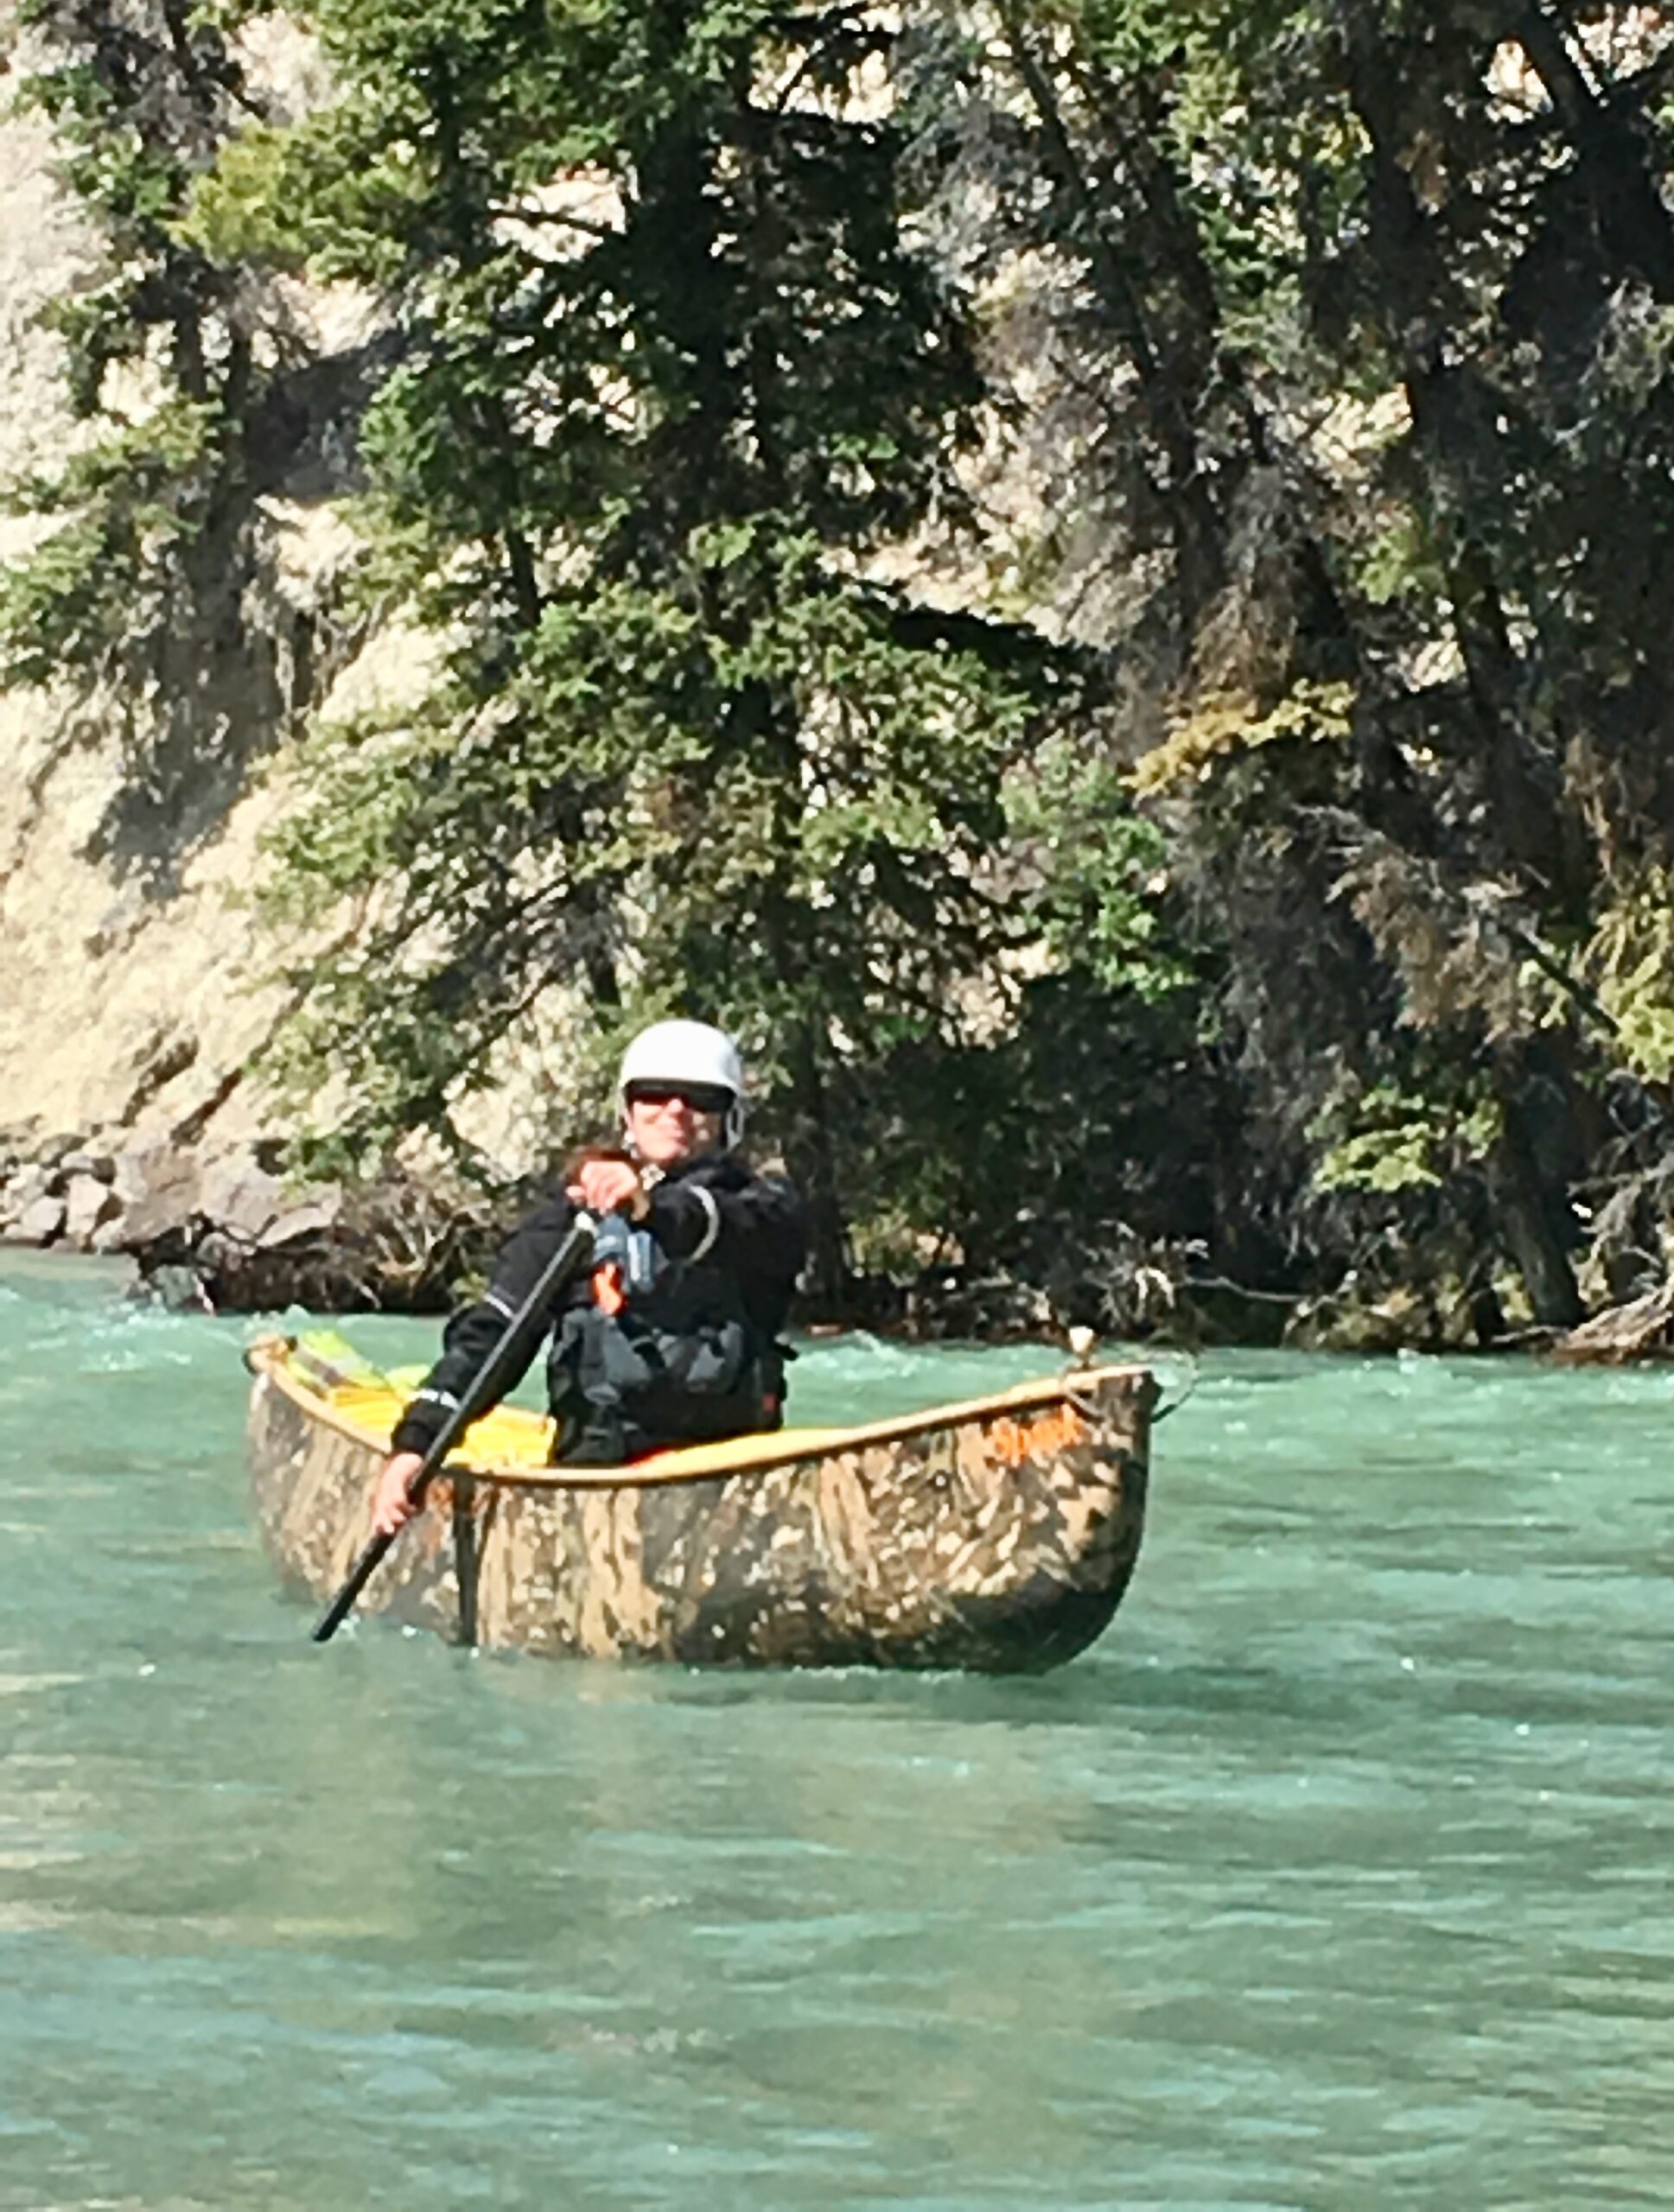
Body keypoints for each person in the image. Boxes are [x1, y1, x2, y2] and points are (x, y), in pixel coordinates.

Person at [370, 1020, 805, 1535]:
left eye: (700, 1099)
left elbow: (714, 1222)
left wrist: (648, 1207)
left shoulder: (764, 1210)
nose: (675, 1110)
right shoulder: (569, 1223)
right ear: (628, 1110)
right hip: (597, 1479)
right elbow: (494, 1336)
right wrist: (417, 1442)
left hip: (732, 1483)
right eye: (654, 1094)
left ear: (728, 1117)